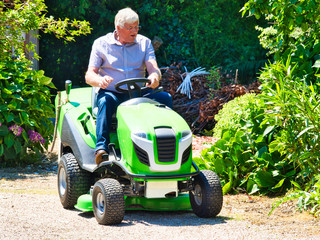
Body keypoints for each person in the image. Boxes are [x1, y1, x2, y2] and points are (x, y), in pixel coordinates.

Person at [85, 7, 173, 164]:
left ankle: (167, 145)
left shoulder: (144, 43)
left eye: (137, 26)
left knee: (165, 98)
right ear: (118, 28)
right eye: (130, 27)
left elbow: (154, 69)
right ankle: (101, 148)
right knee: (105, 101)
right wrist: (100, 81)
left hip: (139, 93)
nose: (135, 31)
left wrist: (154, 76)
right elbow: (89, 75)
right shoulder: (101, 44)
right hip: (113, 93)